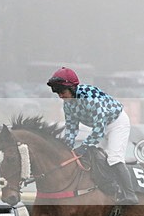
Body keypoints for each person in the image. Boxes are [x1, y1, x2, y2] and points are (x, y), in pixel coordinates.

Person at [46, 67, 138, 205]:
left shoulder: (90, 97)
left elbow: (99, 129)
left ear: (72, 88)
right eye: (57, 92)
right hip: (101, 126)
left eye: (62, 91)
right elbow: (71, 128)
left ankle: (130, 195)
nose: (60, 96)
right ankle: (111, 187)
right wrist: (68, 147)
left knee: (114, 158)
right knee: (97, 157)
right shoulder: (68, 105)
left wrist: (83, 147)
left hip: (116, 122)